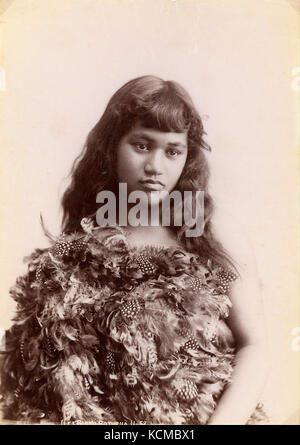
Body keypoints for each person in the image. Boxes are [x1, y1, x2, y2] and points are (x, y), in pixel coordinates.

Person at [0, 75, 269, 425]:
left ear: (187, 157)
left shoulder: (212, 232)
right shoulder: (85, 241)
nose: (156, 167)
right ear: (111, 146)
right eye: (142, 145)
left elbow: (255, 345)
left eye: (173, 151)